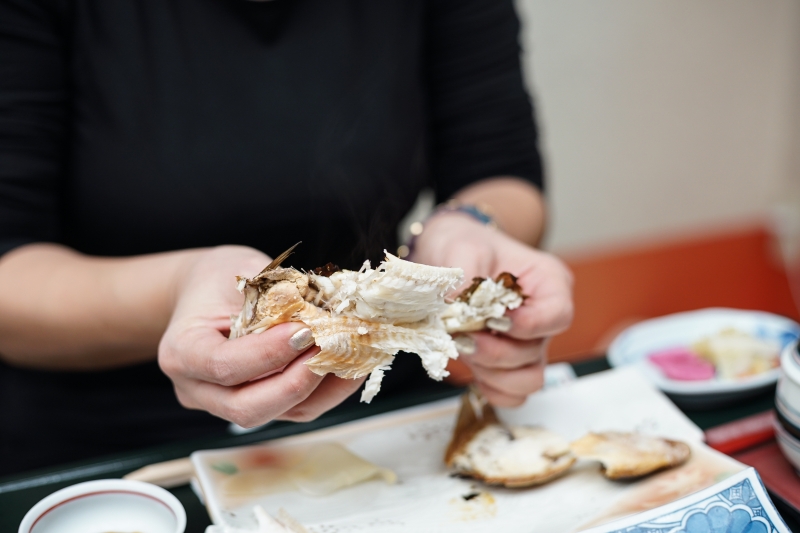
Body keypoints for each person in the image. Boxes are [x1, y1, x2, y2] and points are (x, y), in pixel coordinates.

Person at [0, 0, 573, 476]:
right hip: (108, 442)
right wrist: (184, 284)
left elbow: (500, 169)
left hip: (372, 401)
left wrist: (463, 230)